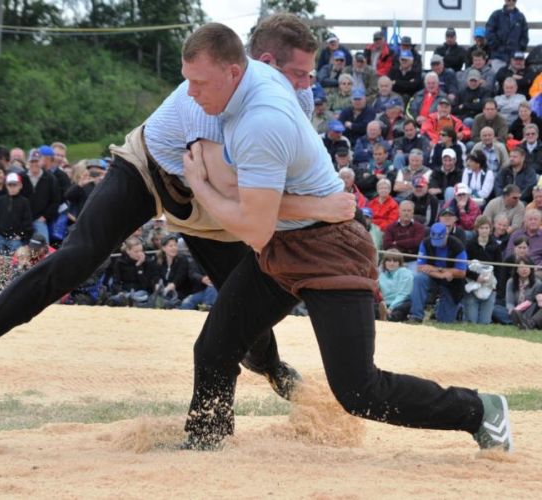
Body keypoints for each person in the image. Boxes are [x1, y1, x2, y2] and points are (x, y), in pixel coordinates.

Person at [0, 14, 356, 403]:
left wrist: (316, 203)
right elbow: (231, 188)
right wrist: (321, 205)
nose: (308, 84)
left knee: (239, 301)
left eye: (309, 74)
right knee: (78, 256)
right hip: (152, 170)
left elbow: (253, 189)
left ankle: (271, 366)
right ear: (265, 63)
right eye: (299, 73)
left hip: (209, 198)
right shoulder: (206, 97)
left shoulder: (293, 100)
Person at [177, 23, 512, 453]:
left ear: (234, 72)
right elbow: (260, 204)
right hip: (283, 248)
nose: (191, 93)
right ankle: (206, 441)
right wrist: (312, 202)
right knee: (215, 346)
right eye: (188, 80)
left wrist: (199, 185)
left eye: (199, 83)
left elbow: (254, 224)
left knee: (358, 390)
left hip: (331, 251)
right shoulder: (250, 79)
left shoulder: (261, 120)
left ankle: (480, 411)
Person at [408, 222, 467, 323]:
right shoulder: (425, 243)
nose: (437, 245)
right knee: (419, 279)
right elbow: (420, 267)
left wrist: (436, 269)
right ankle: (416, 315)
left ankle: (455, 309)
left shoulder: (458, 246)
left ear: (446, 235)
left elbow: (462, 272)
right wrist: (440, 274)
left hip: (452, 282)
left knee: (445, 321)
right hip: (434, 277)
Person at [462, 215, 502, 324]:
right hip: (472, 284)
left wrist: (495, 286)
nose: (484, 230)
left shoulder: (495, 246)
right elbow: (464, 266)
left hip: (489, 285)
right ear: (477, 229)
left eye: (486, 228)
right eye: (481, 228)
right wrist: (476, 277)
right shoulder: (470, 245)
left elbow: (499, 268)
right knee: (471, 321)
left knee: (485, 322)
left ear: (490, 229)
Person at [107, 236, 159, 307]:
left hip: (142, 291)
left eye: (141, 251)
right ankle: (123, 299)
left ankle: (125, 299)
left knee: (138, 296)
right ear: (128, 251)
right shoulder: (120, 262)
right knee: (122, 296)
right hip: (125, 291)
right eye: (136, 252)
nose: (139, 254)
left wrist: (139, 267)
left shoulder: (148, 262)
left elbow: (146, 285)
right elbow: (116, 282)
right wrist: (120, 291)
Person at [0, 173, 33, 255]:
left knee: (15, 260)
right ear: (6, 186)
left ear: (20, 186)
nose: (12, 187)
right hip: (0, 237)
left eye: (15, 185)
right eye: (10, 185)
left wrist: (22, 235)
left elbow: (27, 221)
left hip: (16, 239)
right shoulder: (0, 200)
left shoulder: (24, 202)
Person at [494, 233, 528, 323]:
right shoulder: (508, 260)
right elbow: (501, 281)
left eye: (524, 248)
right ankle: (516, 319)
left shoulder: (530, 262)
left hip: (525, 298)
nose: (522, 250)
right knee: (493, 308)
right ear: (514, 248)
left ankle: (515, 318)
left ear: (528, 249)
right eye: (519, 247)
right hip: (507, 296)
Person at [485, 0, 529, 71]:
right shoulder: (496, 14)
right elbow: (489, 32)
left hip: (515, 58)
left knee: (514, 77)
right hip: (498, 56)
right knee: (498, 77)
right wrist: (496, 46)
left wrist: (520, 49)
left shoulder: (521, 17)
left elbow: (525, 35)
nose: (510, 1)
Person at [383, 200, 426, 271]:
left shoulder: (420, 227)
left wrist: (396, 243)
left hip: (412, 261)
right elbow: (387, 245)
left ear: (413, 212)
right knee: (380, 273)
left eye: (409, 211)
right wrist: (408, 246)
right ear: (399, 212)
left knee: (414, 276)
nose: (406, 213)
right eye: (404, 210)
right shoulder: (390, 227)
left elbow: (416, 243)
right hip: (393, 261)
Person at [378, 248, 414, 321]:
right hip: (384, 303)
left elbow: (403, 294)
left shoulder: (406, 273)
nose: (391, 263)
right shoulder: (381, 274)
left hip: (400, 303)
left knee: (407, 305)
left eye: (395, 261)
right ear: (384, 262)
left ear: (399, 263)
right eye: (389, 261)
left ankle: (389, 317)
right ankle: (384, 315)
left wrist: (391, 308)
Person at [506, 257, 541, 329]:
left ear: (531, 269)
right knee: (496, 309)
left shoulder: (537, 283)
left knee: (534, 305)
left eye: (527, 267)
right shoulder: (511, 282)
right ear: (516, 270)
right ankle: (519, 320)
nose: (524, 269)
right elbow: (509, 302)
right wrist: (513, 311)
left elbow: (533, 303)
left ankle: (526, 322)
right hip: (514, 311)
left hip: (529, 311)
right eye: (521, 267)